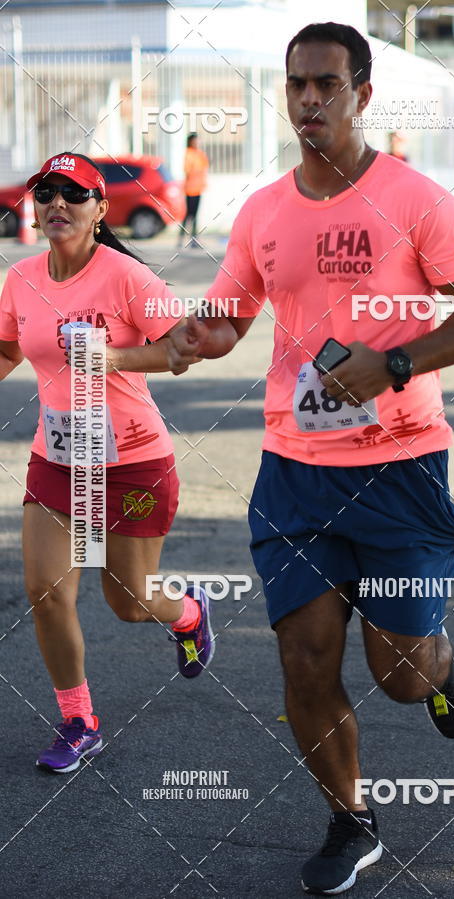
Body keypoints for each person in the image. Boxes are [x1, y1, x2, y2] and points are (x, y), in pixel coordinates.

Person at [167, 22, 454, 896]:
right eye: (296, 86)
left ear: (362, 95)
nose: (309, 100)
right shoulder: (263, 211)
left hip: (400, 469)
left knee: (397, 674)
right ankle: (351, 820)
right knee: (305, 659)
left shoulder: (417, 200)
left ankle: (437, 663)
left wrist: (396, 363)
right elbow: (226, 320)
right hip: (294, 472)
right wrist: (185, 334)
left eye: (326, 84)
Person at [0, 153, 213, 775]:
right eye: (46, 193)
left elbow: (184, 349)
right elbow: (8, 348)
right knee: (44, 589)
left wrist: (112, 360)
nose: (56, 204)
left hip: (132, 463)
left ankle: (191, 612)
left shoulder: (125, 277)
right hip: (58, 459)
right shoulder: (22, 279)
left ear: (99, 210)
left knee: (128, 598)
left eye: (73, 194)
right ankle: (78, 719)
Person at [177, 133, 209, 250]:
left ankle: (194, 240)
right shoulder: (189, 154)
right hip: (190, 190)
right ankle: (181, 238)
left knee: (195, 216)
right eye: (195, 141)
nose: (197, 143)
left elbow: (205, 167)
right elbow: (188, 170)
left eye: (198, 141)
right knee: (188, 215)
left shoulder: (200, 154)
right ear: (190, 141)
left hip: (198, 189)